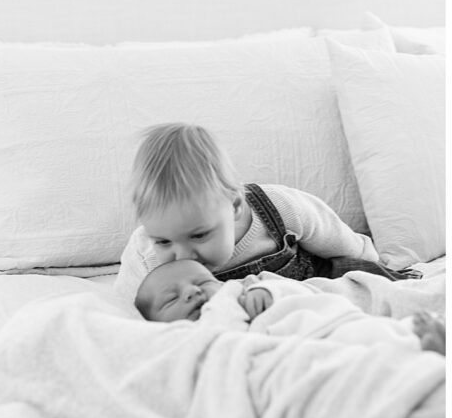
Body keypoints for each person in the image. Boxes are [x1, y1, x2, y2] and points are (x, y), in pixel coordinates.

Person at [114, 123, 416, 308]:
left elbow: (336, 238)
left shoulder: (275, 206)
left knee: (365, 286)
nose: (183, 256)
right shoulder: (143, 254)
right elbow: (124, 308)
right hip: (237, 316)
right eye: (163, 241)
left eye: (199, 235)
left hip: (311, 289)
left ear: (234, 206)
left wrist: (372, 263)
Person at [134, 258, 445, 354]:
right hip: (312, 352)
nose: (191, 293)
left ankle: (423, 341)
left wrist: (268, 292)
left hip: (328, 326)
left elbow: (296, 292)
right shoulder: (183, 344)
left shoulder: (239, 293)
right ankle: (425, 348)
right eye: (172, 298)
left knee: (377, 336)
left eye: (202, 283)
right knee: (374, 355)